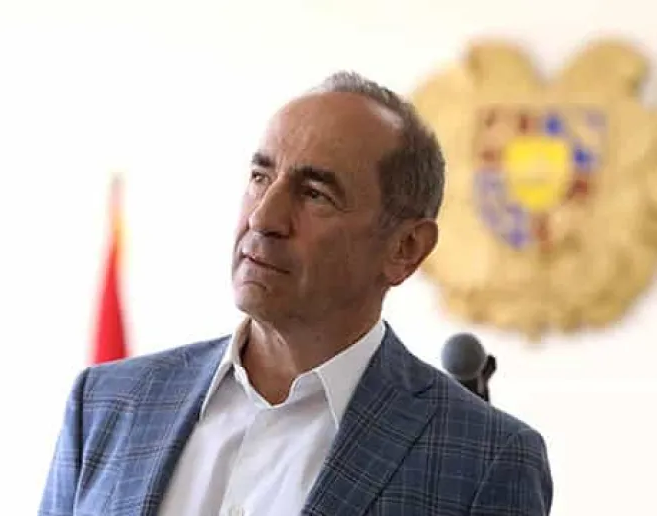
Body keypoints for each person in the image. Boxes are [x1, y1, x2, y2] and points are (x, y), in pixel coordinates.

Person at [39, 71, 553, 516]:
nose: (263, 217)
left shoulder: (485, 459)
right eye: (259, 176)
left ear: (405, 248)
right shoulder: (106, 403)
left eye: (314, 194)